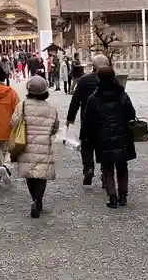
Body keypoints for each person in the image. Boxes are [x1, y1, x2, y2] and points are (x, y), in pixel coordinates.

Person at [81, 66, 136, 208]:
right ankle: (123, 196)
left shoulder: (94, 98)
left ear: (98, 79)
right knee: (122, 167)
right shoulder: (122, 94)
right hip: (122, 135)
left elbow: (88, 120)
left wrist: (86, 136)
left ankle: (112, 198)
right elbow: (131, 114)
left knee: (107, 169)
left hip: (103, 137)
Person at [15, 76, 59, 218]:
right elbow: (54, 128)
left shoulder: (21, 106)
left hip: (25, 144)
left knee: (30, 174)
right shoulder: (52, 109)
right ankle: (37, 200)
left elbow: (13, 123)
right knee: (41, 175)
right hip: (44, 144)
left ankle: (34, 198)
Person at [67, 54, 110, 186]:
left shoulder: (84, 80)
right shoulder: (112, 80)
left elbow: (76, 100)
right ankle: (105, 173)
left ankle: (89, 168)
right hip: (107, 119)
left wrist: (70, 117)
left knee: (87, 145)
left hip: (88, 118)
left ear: (94, 65)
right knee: (105, 146)